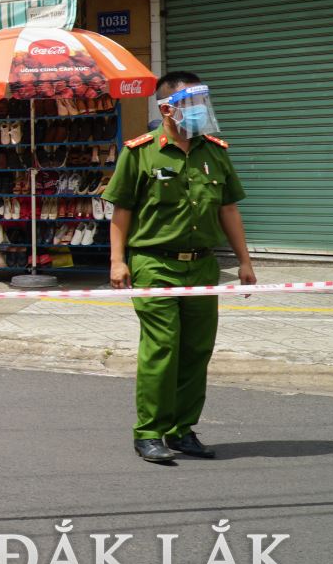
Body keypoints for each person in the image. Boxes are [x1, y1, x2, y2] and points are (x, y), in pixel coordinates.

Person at [102, 72, 255, 465]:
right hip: (155, 265)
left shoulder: (215, 151)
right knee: (162, 348)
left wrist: (244, 261)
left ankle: (182, 430)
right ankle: (150, 432)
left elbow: (229, 209)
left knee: (196, 350)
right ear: (167, 109)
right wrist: (118, 261)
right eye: (192, 104)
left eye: (203, 104)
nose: (200, 111)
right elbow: (121, 211)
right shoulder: (140, 152)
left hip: (203, 267)